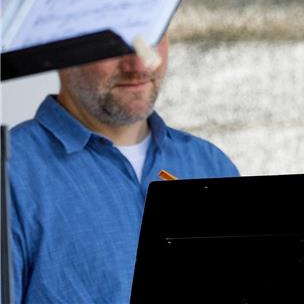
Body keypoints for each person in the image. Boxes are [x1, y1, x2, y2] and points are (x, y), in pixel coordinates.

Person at [6, 35, 239, 303]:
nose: (140, 64)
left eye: (153, 35)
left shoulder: (210, 164)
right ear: (58, 47)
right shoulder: (10, 173)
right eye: (113, 43)